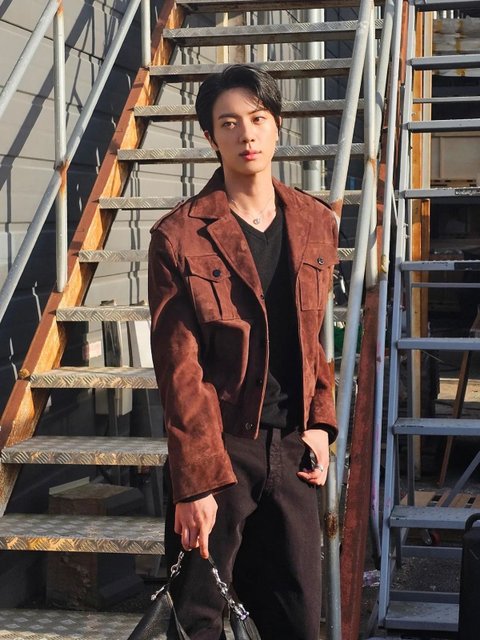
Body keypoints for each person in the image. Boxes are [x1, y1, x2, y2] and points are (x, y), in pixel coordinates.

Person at [148, 64, 338, 640]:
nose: (246, 134)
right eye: (228, 123)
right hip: (222, 449)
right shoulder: (179, 236)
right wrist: (196, 481)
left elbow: (314, 336)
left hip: (294, 450)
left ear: (277, 125)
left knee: (296, 616)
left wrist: (321, 424)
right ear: (211, 137)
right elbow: (180, 370)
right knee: (200, 619)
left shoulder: (316, 221)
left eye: (257, 119)